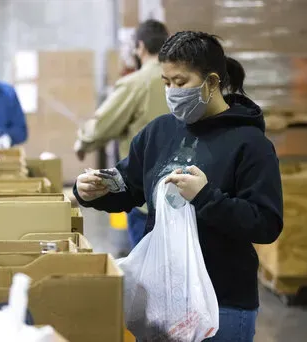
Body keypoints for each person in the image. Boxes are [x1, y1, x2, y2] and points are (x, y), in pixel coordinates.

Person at [74, 31, 283, 341]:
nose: (172, 91)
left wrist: (206, 196)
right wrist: (92, 191)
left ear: (212, 82)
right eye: (166, 82)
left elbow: (265, 224)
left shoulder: (250, 144)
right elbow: (129, 186)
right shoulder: (159, 132)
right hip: (162, 300)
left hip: (221, 303)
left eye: (181, 82)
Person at [74, 19, 170, 248]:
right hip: (184, 197)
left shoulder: (136, 83)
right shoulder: (183, 82)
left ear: (140, 47)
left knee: (147, 271)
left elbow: (103, 125)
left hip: (145, 197)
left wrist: (82, 142)